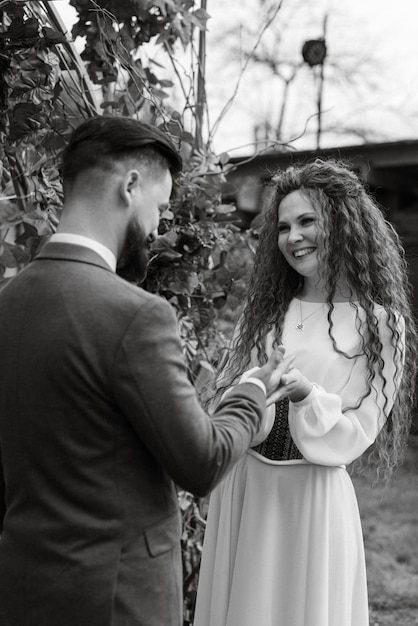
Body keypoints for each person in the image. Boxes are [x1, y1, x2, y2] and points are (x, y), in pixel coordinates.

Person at [0, 116, 294, 626]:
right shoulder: (135, 314)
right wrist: (249, 392)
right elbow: (201, 461)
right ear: (129, 186)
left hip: (24, 586)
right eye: (160, 207)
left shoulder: (8, 304)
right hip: (117, 599)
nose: (160, 226)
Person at [193, 158, 417, 626]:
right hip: (247, 488)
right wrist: (256, 383)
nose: (293, 236)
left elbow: (359, 429)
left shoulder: (382, 326)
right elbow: (225, 398)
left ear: (342, 223)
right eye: (283, 226)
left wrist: (304, 395)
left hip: (311, 498)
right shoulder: (267, 309)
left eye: (307, 221)